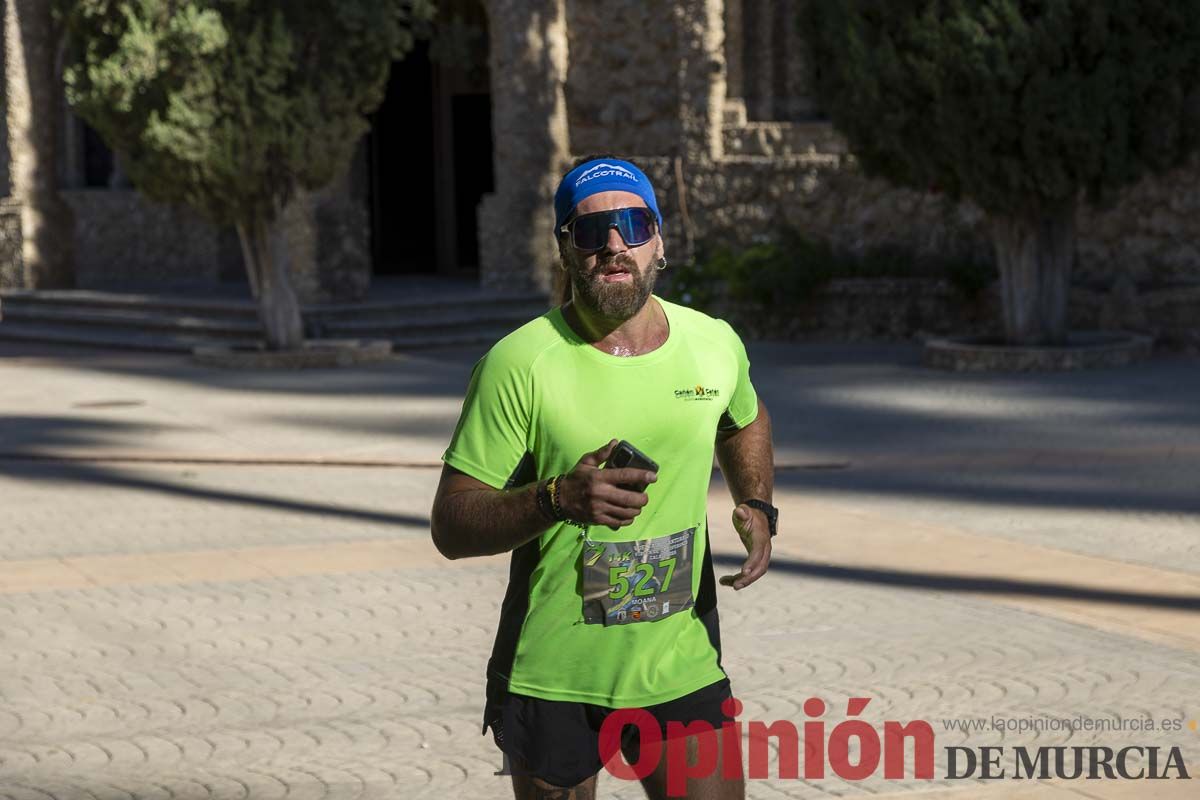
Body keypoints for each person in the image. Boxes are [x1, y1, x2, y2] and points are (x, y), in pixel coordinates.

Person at [431, 154, 777, 800]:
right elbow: (450, 524)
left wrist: (756, 503)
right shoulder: (519, 364)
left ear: (659, 242)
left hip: (681, 660)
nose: (614, 246)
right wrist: (556, 498)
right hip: (552, 673)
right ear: (565, 250)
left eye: (632, 225)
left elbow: (744, 420)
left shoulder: (713, 344)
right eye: (591, 232)